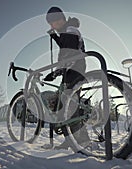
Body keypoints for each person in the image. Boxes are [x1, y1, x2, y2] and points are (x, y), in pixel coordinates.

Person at [44, 6, 90, 149]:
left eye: (55, 22)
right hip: (69, 69)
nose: (53, 25)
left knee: (70, 104)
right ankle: (69, 139)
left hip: (75, 68)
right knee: (63, 104)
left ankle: (82, 139)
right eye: (51, 24)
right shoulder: (66, 31)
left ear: (62, 19)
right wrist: (55, 37)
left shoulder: (71, 30)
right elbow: (65, 45)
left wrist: (58, 70)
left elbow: (70, 51)